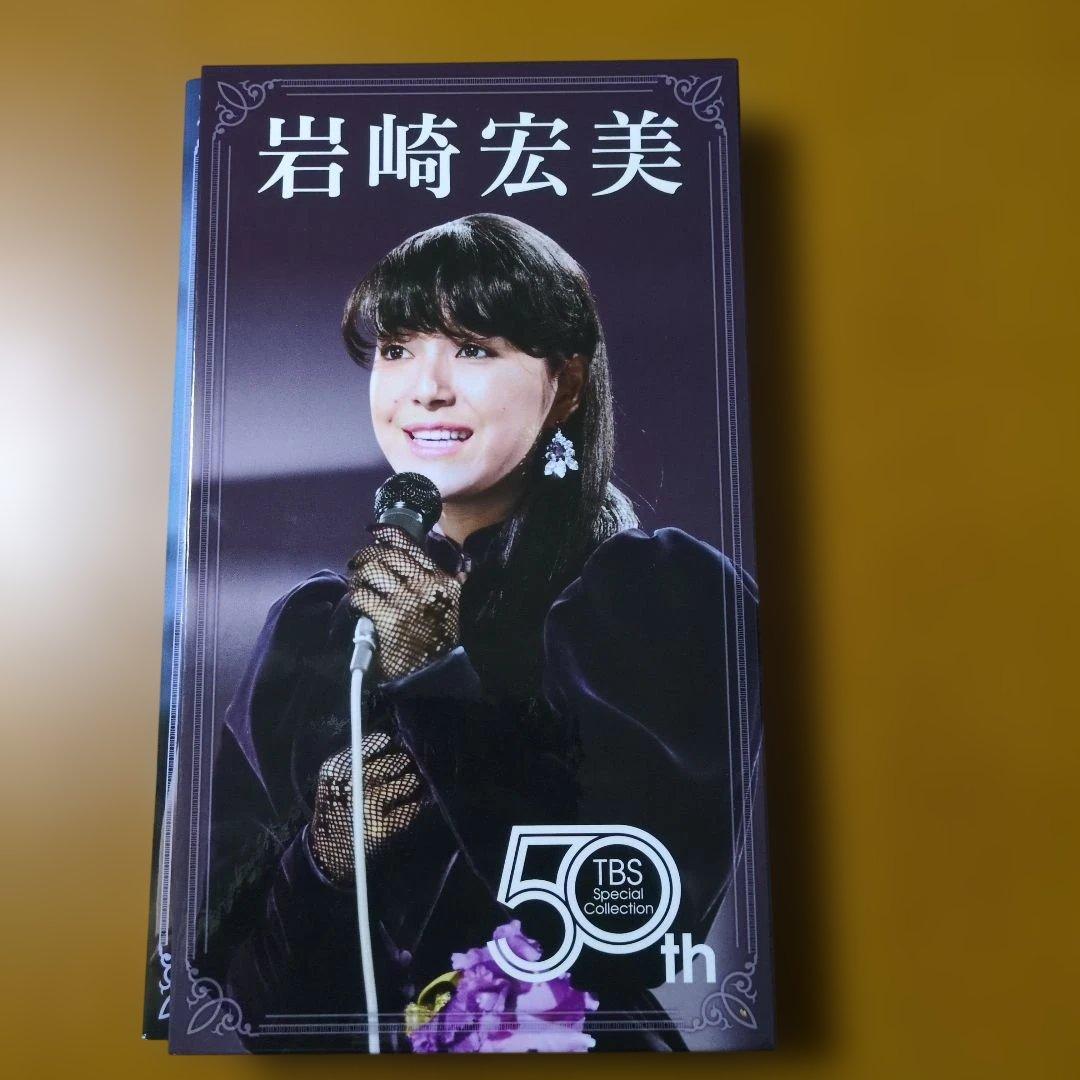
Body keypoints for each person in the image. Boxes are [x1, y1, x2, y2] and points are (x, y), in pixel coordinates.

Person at [206, 213, 761, 1052]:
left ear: (565, 384)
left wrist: (440, 677)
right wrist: (321, 863)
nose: (425, 389)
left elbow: (641, 924)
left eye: (471, 348)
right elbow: (229, 991)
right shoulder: (312, 632)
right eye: (397, 349)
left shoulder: (660, 595)